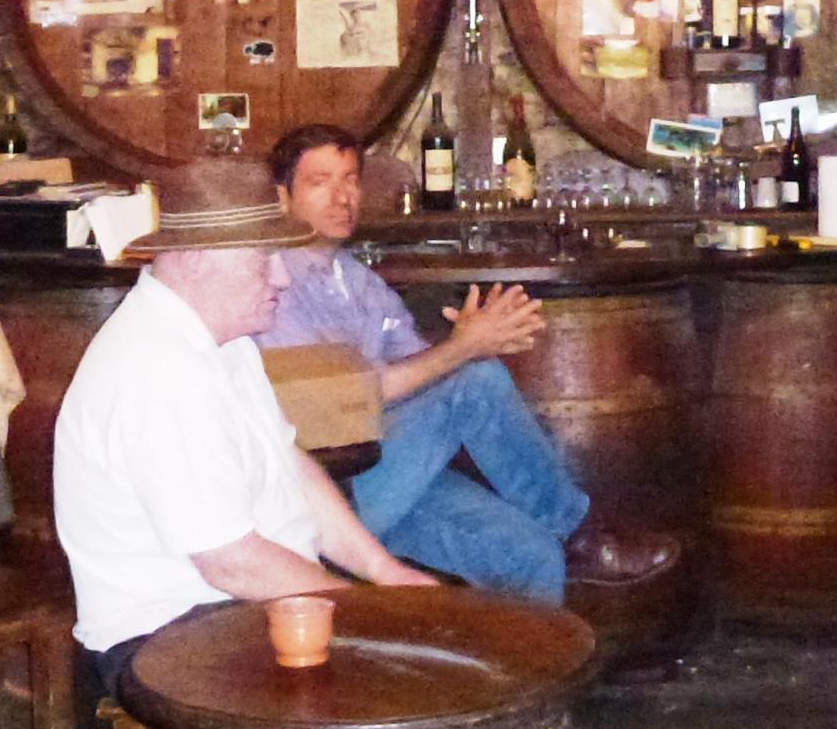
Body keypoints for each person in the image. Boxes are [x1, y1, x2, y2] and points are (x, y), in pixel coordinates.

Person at [52, 161, 436, 702]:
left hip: (240, 607)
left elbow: (290, 464)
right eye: (262, 261)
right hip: (169, 635)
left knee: (428, 663)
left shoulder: (223, 341)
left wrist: (383, 570)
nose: (281, 278)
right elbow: (230, 563)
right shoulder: (158, 370)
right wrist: (361, 609)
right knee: (409, 688)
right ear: (195, 261)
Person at [261, 123, 671, 601]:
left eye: (350, 179)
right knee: (473, 380)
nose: (342, 196)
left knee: (532, 554)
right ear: (282, 196)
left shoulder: (359, 281)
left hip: (390, 469)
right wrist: (463, 350)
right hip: (325, 490)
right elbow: (342, 400)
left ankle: (539, 629)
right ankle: (576, 531)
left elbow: (421, 376)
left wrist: (466, 343)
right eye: (320, 181)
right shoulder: (271, 284)